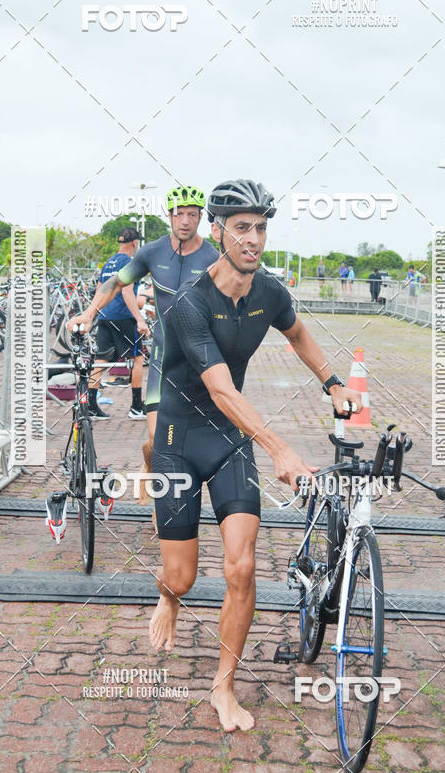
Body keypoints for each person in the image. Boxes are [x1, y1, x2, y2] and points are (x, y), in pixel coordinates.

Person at [146, 179, 363, 733]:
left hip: (228, 440)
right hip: (178, 439)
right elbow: (221, 389)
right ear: (217, 231)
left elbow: (298, 335)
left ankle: (224, 688)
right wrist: (281, 448)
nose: (254, 239)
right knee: (183, 576)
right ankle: (168, 597)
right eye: (242, 228)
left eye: (261, 228)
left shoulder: (269, 291)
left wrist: (332, 382)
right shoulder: (189, 306)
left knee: (242, 567)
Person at [69, 187, 219, 495]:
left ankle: (169, 511)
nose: (186, 221)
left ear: (202, 218)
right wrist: (88, 314)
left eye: (193, 214)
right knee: (155, 442)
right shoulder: (152, 251)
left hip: (199, 363)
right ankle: (149, 464)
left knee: (187, 446)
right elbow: (115, 282)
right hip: (165, 361)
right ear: (169, 216)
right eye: (179, 214)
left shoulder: (213, 257)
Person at [84, 227, 148, 421]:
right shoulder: (129, 262)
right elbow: (127, 292)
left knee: (101, 360)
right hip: (122, 316)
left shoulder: (108, 263)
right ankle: (137, 407)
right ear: (135, 243)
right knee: (138, 359)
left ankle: (91, 406)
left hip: (104, 316)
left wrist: (92, 313)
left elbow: (100, 291)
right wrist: (139, 318)